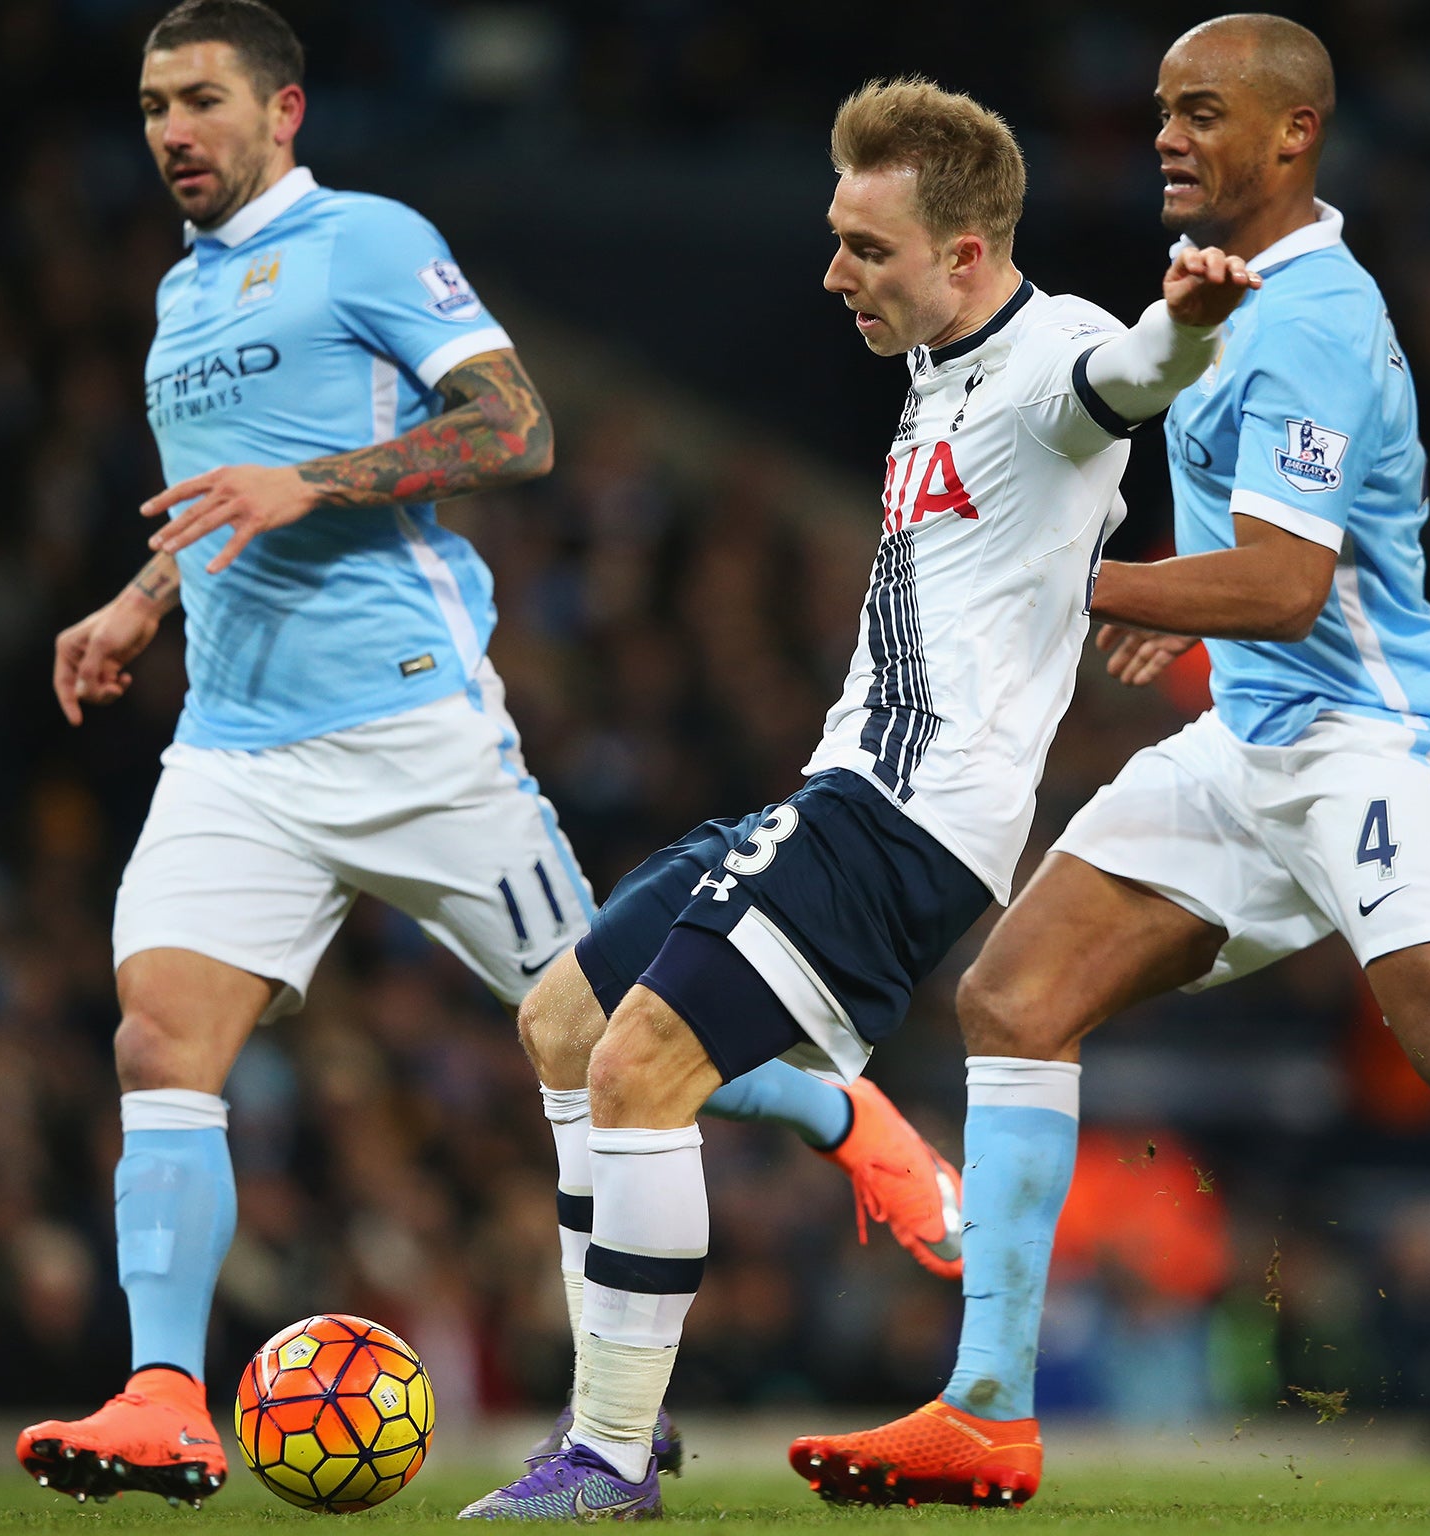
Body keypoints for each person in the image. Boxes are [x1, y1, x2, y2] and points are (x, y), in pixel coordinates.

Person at [789, 15, 1430, 1522]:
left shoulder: (1317, 320)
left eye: (1203, 112)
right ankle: (988, 1415)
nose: (1167, 136)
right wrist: (1159, 594)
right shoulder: (1222, 298)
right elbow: (1242, 582)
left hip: (1383, 744)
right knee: (1015, 993)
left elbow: (1281, 584)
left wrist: (1071, 580)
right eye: (1159, 110)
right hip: (1255, 745)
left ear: (1293, 137)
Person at [16, 0, 957, 1507]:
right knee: (156, 1043)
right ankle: (162, 1400)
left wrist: (315, 481)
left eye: (200, 98)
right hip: (234, 748)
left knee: (607, 1036)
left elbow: (518, 429)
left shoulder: (371, 242)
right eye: (149, 106)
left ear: (285, 112)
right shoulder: (178, 302)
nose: (171, 131)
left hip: (413, 737)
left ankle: (835, 1113)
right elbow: (220, 508)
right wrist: (134, 603)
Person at [458, 77, 1257, 1521]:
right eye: (836, 239)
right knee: (560, 1024)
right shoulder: (936, 369)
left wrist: (1186, 326)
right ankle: (840, 1127)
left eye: (866, 249)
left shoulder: (1050, 353)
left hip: (904, 832)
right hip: (837, 791)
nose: (834, 274)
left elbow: (1124, 380)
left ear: (965, 252)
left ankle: (611, 1454)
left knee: (640, 1072)